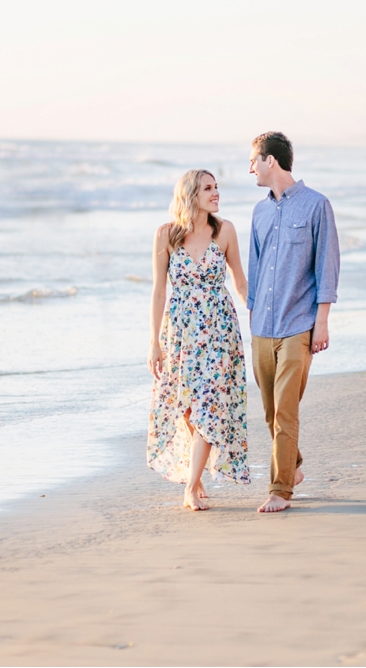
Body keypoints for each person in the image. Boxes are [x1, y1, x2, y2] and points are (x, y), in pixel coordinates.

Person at [147, 169, 250, 510]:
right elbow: (159, 291)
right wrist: (154, 342)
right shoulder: (166, 235)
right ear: (190, 194)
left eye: (217, 187)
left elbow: (239, 283)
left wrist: (262, 313)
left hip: (219, 332)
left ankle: (190, 487)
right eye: (208, 188)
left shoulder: (225, 231)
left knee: (209, 404)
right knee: (188, 408)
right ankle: (197, 468)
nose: (216, 192)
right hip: (180, 333)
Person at [247, 132, 340, 513]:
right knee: (270, 412)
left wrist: (322, 322)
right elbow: (254, 267)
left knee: (286, 410)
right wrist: (251, 318)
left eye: (253, 160)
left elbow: (327, 266)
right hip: (261, 329)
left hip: (299, 325)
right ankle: (294, 464)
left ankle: (279, 490)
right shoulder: (259, 211)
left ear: (271, 161)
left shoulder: (317, 205)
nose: (250, 167)